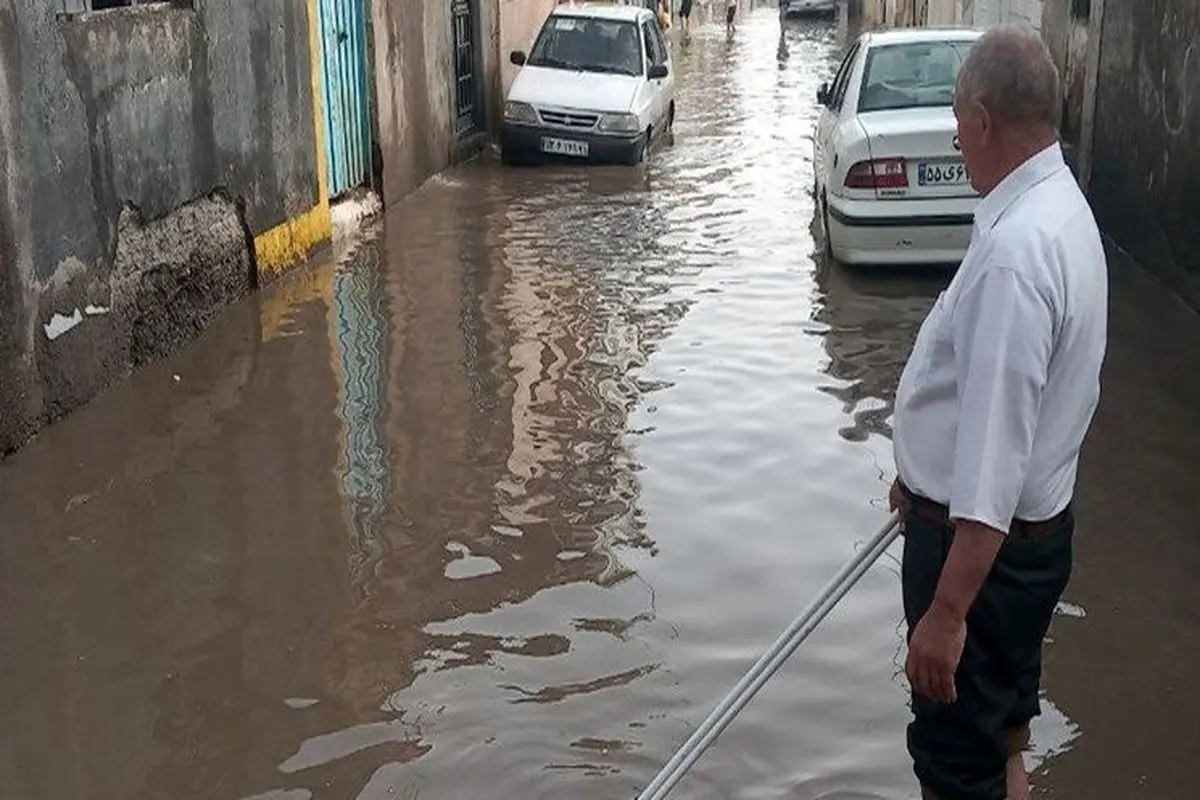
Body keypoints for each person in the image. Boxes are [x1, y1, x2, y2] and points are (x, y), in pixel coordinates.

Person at [888, 25, 1108, 800]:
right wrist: (918, 478)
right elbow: (1031, 416)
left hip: (980, 559)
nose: (954, 132)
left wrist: (947, 614)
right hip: (1030, 546)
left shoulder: (1019, 253)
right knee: (1003, 734)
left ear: (982, 121)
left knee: (955, 767)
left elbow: (992, 462)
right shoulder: (1062, 209)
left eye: (956, 117)